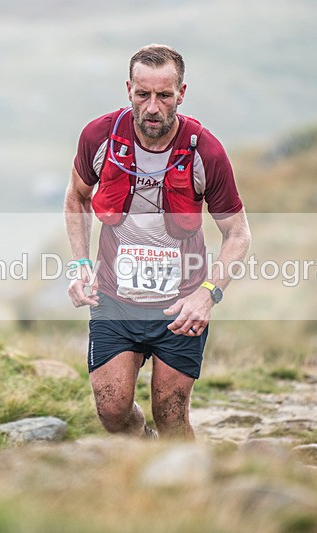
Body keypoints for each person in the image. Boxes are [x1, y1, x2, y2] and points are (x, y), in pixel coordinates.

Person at [64, 44, 251, 440]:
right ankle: (146, 460)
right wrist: (81, 266)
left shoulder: (206, 151)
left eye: (164, 95)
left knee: (170, 413)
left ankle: (187, 489)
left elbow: (237, 234)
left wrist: (208, 294)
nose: (152, 107)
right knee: (112, 409)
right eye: (142, 94)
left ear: (181, 94)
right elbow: (77, 197)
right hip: (115, 299)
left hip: (181, 304)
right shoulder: (99, 137)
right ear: (128, 89)